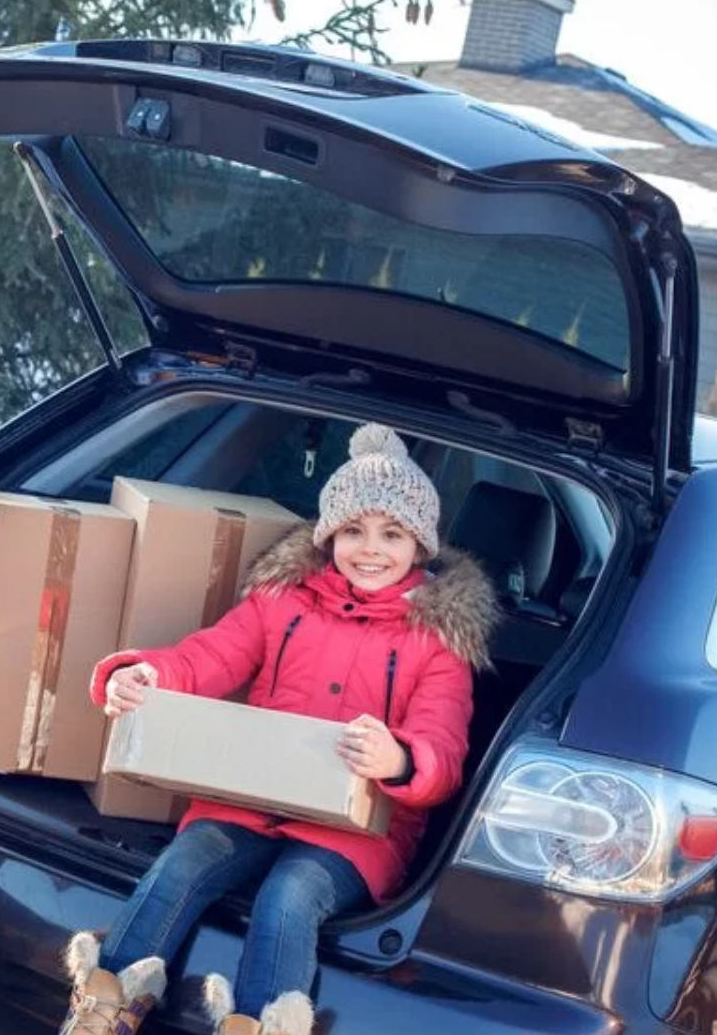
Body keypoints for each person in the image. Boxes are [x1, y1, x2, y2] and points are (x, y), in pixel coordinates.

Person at [57, 425, 499, 1035]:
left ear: (420, 547)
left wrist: (398, 758)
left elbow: (444, 749)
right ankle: (107, 1005)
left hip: (359, 832)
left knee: (289, 898)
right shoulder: (283, 600)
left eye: (391, 534)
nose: (369, 549)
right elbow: (210, 655)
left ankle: (260, 1026)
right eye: (352, 531)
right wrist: (144, 675)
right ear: (327, 536)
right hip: (248, 800)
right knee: (182, 863)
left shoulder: (439, 642)